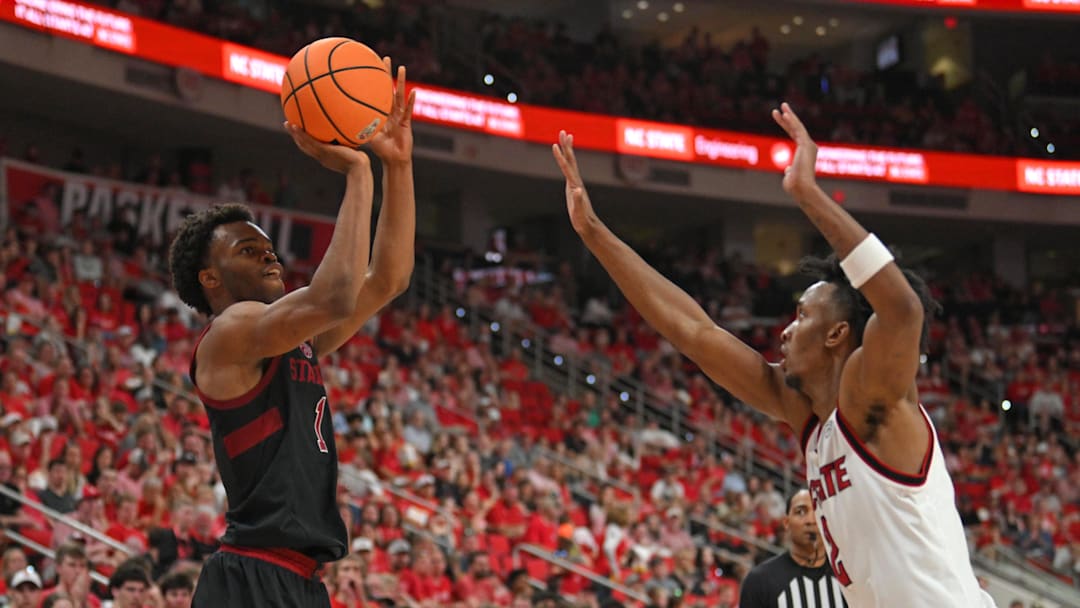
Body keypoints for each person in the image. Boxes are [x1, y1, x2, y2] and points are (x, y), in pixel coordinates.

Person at [551, 103, 996, 607]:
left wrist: (809, 195)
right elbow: (694, 331)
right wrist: (592, 233)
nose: (784, 332)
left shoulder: (872, 396)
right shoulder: (807, 415)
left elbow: (902, 311)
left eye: (802, 317)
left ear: (837, 335)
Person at [169, 59, 416, 608]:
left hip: (302, 581)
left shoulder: (289, 341)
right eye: (247, 250)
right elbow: (336, 293)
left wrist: (398, 166)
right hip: (252, 576)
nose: (269, 254)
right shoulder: (228, 334)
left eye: (268, 246)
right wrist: (358, 173)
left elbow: (388, 279)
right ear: (210, 278)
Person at [739, 489, 846, 607]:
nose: (810, 520)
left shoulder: (850, 579)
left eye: (818, 511)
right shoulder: (759, 581)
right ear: (786, 522)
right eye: (800, 512)